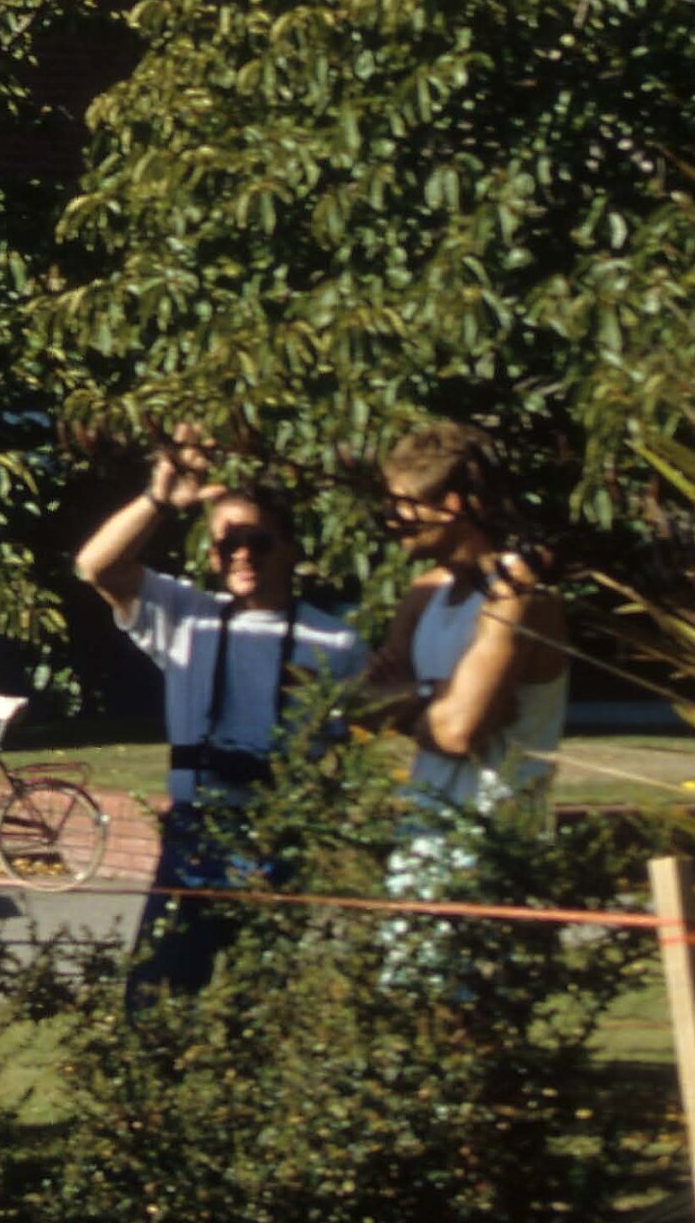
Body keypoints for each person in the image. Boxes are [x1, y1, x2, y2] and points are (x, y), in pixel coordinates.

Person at [76, 439, 365, 995]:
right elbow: (96, 566)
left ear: (288, 548)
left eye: (257, 541)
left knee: (266, 1002)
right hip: (196, 829)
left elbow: (356, 740)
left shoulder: (334, 640)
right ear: (209, 555)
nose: (242, 555)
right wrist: (159, 500)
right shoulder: (188, 616)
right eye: (226, 543)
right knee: (157, 996)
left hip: (280, 832)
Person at [365, 420, 570, 890]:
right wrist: (428, 694)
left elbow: (458, 732)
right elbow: (358, 706)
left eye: (401, 504)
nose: (390, 520)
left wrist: (407, 704)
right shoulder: (424, 594)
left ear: (449, 508)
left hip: (493, 852)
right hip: (420, 843)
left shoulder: (519, 595)